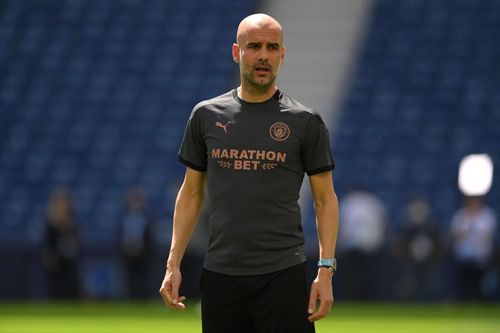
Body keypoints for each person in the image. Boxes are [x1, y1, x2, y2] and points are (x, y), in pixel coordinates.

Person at [159, 13, 339, 333]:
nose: (263, 55)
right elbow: (191, 193)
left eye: (272, 47)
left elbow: (325, 199)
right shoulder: (205, 115)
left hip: (283, 274)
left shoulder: (305, 121)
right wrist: (173, 264)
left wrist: (325, 270)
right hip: (220, 276)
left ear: (283, 55)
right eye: (254, 46)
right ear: (236, 52)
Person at [336, 187, 386, 299]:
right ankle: (365, 297)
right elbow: (381, 225)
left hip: (352, 246)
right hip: (368, 246)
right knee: (366, 276)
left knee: (352, 276)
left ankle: (353, 297)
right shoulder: (372, 202)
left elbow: (340, 227)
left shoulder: (348, 202)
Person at [450, 195, 497, 300]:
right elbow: (456, 235)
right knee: (463, 285)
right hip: (463, 256)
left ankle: (479, 303)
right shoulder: (460, 215)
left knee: (479, 285)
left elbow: (487, 236)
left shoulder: (487, 215)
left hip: (481, 256)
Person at [42, 187, 80, 299]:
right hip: (56, 265)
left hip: (70, 263)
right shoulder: (52, 225)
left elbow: (76, 241)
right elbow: (48, 246)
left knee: (71, 292)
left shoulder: (72, 222)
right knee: (57, 292)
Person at [120, 187, 153, 299]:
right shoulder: (124, 218)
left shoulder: (146, 217)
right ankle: (130, 298)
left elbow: (149, 237)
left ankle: (144, 298)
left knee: (143, 278)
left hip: (143, 255)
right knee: (129, 278)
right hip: (128, 254)